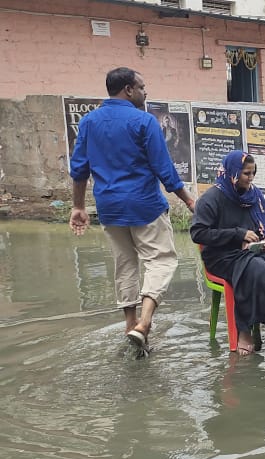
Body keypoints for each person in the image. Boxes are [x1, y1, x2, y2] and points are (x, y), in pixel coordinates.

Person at [69, 66, 196, 355]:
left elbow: (79, 169)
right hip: (144, 205)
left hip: (109, 206)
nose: (145, 91)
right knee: (161, 260)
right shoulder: (144, 121)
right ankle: (145, 323)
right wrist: (188, 201)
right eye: (141, 87)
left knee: (125, 264)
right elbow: (164, 168)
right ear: (128, 90)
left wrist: (78, 206)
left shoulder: (88, 122)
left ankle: (130, 326)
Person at [190, 151, 265, 355]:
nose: (250, 178)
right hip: (223, 255)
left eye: (253, 173)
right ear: (232, 172)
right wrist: (238, 235)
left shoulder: (254, 195)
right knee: (259, 271)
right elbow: (199, 233)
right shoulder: (211, 198)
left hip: (256, 249)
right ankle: (244, 330)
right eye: (246, 173)